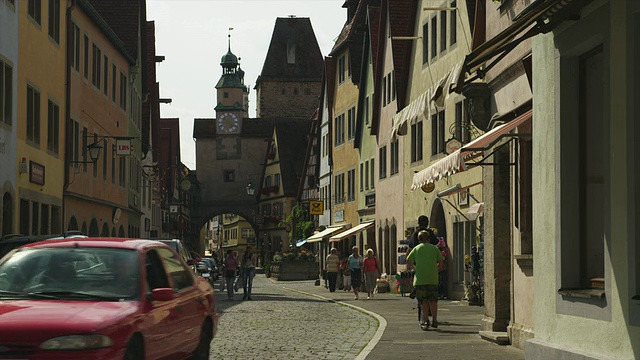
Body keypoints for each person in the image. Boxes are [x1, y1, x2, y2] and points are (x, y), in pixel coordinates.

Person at [407, 230, 444, 331]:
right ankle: (435, 320)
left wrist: (414, 267)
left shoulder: (416, 249)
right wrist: (438, 268)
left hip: (420, 279)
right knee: (433, 300)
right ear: (429, 238)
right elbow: (441, 260)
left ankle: (426, 320)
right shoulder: (434, 249)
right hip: (432, 278)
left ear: (419, 239)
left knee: (423, 301)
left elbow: (408, 260)